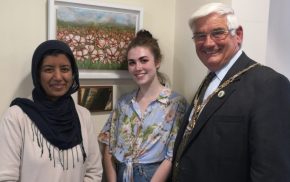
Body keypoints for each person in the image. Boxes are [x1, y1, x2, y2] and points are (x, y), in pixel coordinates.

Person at [171, 3, 290, 182]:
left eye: (218, 33)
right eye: (200, 36)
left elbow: (272, 173)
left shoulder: (269, 85)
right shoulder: (209, 80)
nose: (208, 43)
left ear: (238, 35)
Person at [0, 40, 103, 182]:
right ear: (37, 74)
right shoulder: (16, 117)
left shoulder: (83, 116)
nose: (58, 77)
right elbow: (6, 177)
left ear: (73, 73)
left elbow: (93, 172)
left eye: (65, 69)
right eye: (49, 69)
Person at [98, 30, 188, 182]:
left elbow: (171, 157)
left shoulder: (176, 103)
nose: (137, 67)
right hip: (120, 174)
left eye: (144, 60)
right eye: (132, 62)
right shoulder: (124, 103)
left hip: (152, 176)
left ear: (157, 61)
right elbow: (108, 147)